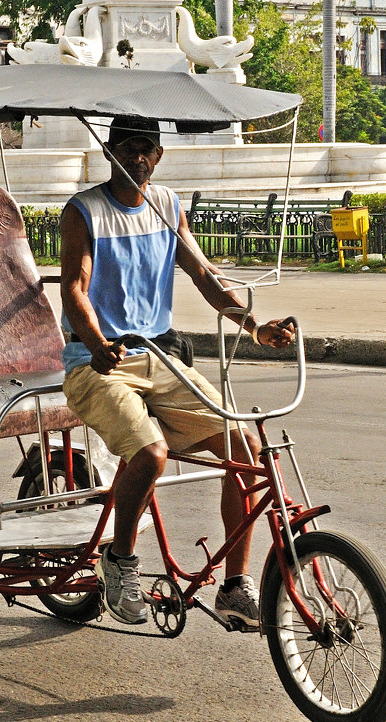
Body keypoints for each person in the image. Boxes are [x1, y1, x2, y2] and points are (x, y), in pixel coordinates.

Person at [59, 116, 296, 627]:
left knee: (246, 452)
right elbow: (74, 290)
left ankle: (234, 585)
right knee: (150, 453)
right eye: (127, 147)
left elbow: (204, 276)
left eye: (147, 149)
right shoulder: (84, 211)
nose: (137, 157)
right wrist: (97, 344)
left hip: (160, 358)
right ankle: (120, 562)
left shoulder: (167, 206)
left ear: (159, 156)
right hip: (98, 362)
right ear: (109, 152)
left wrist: (254, 327)